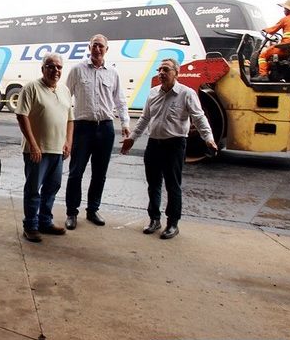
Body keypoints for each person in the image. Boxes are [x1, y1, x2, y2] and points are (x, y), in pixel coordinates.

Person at [120, 58, 218, 239]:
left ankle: (173, 223)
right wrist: (132, 138)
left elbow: (199, 117)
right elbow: (144, 118)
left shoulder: (186, 94)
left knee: (173, 185)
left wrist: (208, 139)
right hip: (154, 144)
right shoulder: (152, 93)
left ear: (176, 73)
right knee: (153, 184)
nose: (161, 73)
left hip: (175, 144)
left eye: (166, 70)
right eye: (159, 70)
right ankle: (154, 219)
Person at [64, 34, 130, 230]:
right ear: (89, 47)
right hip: (82, 128)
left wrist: (125, 123)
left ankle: (93, 209)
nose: (98, 49)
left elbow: (120, 100)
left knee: (100, 173)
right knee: (76, 172)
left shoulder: (113, 73)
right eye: (95, 46)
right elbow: (65, 98)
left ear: (106, 50)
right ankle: (71, 212)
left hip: (106, 128)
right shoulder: (77, 70)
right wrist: (63, 126)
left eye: (101, 46)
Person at [15, 53, 74, 242]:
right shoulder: (31, 88)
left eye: (59, 67)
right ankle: (30, 226)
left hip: (58, 150)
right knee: (33, 189)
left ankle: (45, 221)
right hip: (37, 151)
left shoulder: (64, 90)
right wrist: (33, 144)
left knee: (52, 188)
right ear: (43, 69)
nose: (55, 70)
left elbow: (70, 119)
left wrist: (68, 142)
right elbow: (21, 116)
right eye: (51, 66)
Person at [254, 0, 290, 81]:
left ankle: (263, 75)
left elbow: (272, 30)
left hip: (285, 48)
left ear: (288, 10)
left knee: (263, 55)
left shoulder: (285, 19)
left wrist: (263, 30)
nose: (284, 10)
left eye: (284, 9)